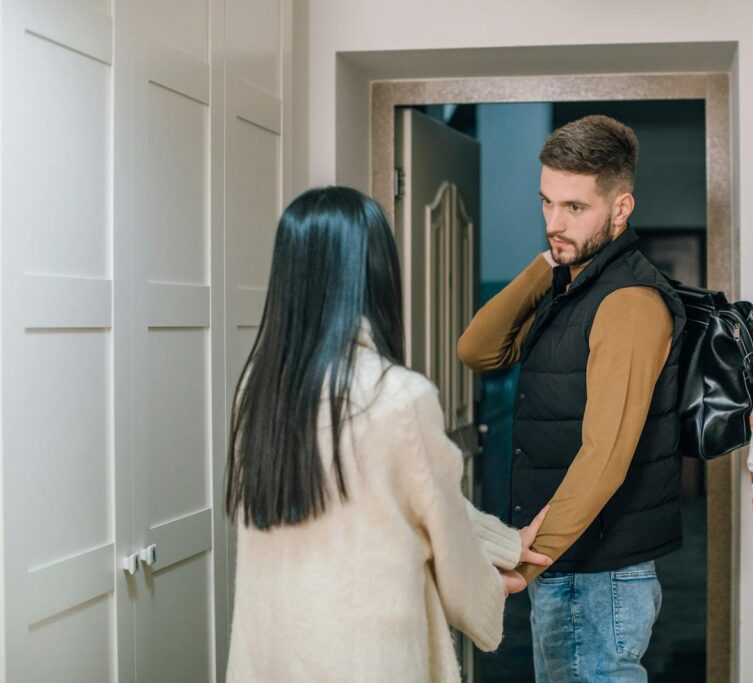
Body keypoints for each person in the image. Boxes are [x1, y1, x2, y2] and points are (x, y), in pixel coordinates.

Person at [224, 186, 551, 682]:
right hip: (364, 658)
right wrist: (494, 586)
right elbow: (445, 536)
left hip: (273, 654)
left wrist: (503, 544)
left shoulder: (260, 388)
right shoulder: (398, 395)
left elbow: (387, 502)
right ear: (373, 271)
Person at [458, 115, 687, 682]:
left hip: (597, 571)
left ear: (621, 207)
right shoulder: (572, 284)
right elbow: (477, 350)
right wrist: (547, 263)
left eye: (575, 209)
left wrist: (527, 559)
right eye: (547, 203)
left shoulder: (628, 301)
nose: (554, 223)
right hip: (572, 560)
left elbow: (604, 455)